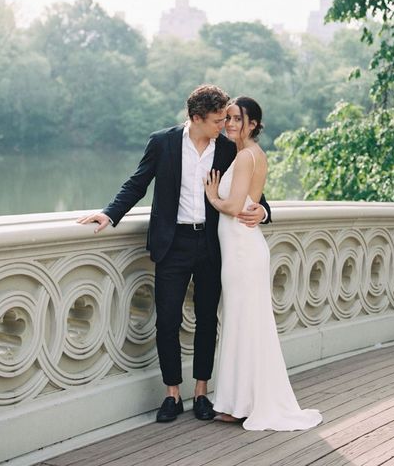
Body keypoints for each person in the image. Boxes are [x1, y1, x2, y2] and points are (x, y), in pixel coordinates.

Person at [77, 85, 271, 423]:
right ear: (196, 118)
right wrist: (109, 214)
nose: (224, 125)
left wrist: (264, 213)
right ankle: (172, 394)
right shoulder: (162, 142)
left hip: (213, 245)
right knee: (167, 320)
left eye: (226, 118)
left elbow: (252, 190)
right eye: (216, 120)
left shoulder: (227, 149)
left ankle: (201, 392)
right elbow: (137, 183)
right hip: (172, 243)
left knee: (207, 319)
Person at [203, 96, 322, 431]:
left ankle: (239, 404)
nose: (230, 124)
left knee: (243, 323)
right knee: (246, 323)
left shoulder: (245, 157)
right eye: (227, 118)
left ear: (253, 123)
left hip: (242, 250)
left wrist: (213, 197)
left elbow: (235, 206)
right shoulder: (251, 154)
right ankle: (240, 401)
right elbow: (252, 204)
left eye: (237, 119)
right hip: (243, 248)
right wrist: (258, 209)